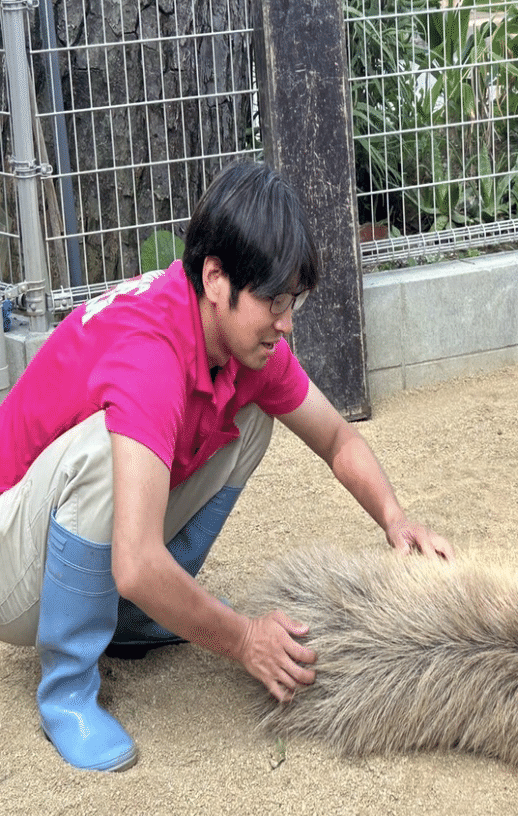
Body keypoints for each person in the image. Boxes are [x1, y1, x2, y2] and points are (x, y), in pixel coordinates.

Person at [0, 160, 452, 773]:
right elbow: (132, 564)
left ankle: (131, 622)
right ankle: (67, 688)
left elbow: (337, 440)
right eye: (273, 300)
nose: (286, 322)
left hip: (55, 539)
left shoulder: (240, 343)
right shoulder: (151, 355)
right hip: (12, 569)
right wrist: (243, 639)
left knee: (253, 420)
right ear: (216, 278)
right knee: (109, 451)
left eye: (293, 300)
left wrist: (396, 521)